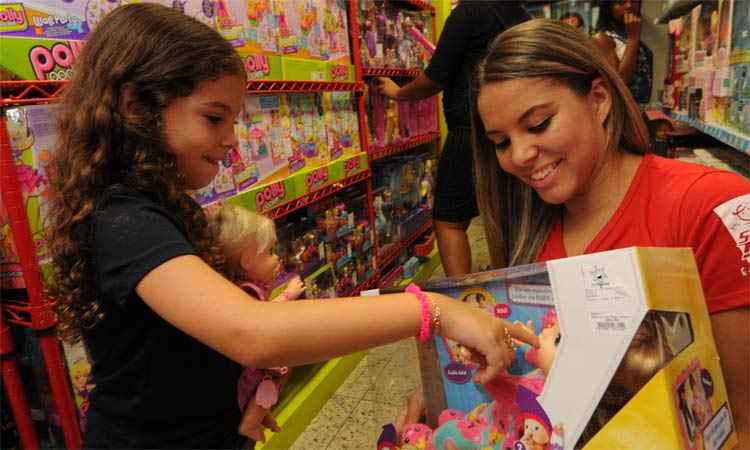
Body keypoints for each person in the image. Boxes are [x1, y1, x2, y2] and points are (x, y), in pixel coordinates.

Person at [46, 4, 533, 448]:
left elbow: (189, 342)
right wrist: (429, 309)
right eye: (214, 118)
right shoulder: (124, 221)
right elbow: (252, 332)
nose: (232, 140)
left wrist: (240, 398)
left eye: (234, 120)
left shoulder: (163, 207)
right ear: (136, 107)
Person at [472, 19, 748, 448]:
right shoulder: (530, 232)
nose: (521, 156)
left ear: (599, 99)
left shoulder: (712, 208)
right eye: (501, 142)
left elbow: (742, 420)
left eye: (539, 123)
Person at [377, 1, 530, 277]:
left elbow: (435, 77)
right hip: (514, 130)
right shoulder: (519, 14)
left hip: (470, 131)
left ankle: (463, 296)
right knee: (509, 216)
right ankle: (511, 282)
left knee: (449, 220)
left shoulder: (468, 12)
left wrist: (398, 93)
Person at [210, 204, 305, 442]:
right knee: (283, 367)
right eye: (271, 252)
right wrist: (288, 295)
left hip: (242, 375)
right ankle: (252, 420)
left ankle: (259, 414)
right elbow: (262, 320)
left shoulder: (235, 286)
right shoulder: (247, 291)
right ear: (247, 260)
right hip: (250, 371)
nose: (277, 259)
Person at [592, 0, 653, 106]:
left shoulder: (631, 37)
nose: (629, 5)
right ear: (608, 7)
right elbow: (618, 84)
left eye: (634, 1)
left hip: (638, 112)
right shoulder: (602, 38)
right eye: (621, 1)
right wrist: (633, 39)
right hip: (620, 114)